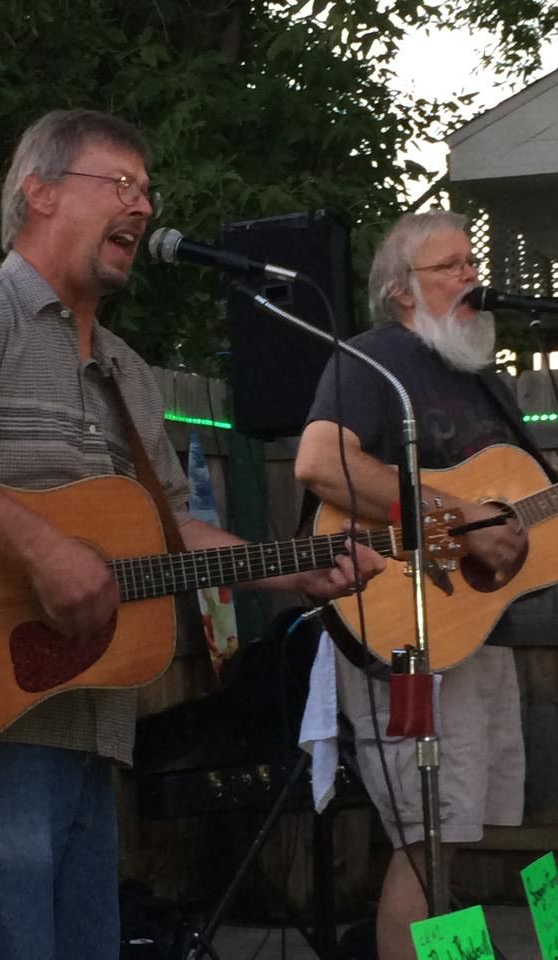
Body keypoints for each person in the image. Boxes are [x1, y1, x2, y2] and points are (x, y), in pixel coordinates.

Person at [0, 109, 385, 960]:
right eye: (120, 183)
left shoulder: (126, 371)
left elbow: (166, 537)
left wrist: (290, 570)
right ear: (41, 194)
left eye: (147, 189)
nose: (143, 204)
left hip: (88, 724)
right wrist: (40, 549)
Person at [295, 210, 552, 960]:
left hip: (481, 629)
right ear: (402, 291)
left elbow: (526, 507)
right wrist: (462, 516)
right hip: (406, 624)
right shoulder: (372, 361)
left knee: (463, 834)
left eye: (473, 262)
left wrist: (493, 525)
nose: (473, 276)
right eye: (452, 266)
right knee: (426, 841)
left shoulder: (483, 380)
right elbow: (320, 463)